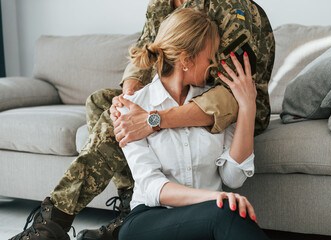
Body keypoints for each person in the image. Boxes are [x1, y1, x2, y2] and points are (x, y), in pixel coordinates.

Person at [10, 0, 274, 239]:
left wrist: (152, 119)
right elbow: (147, 48)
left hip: (226, 104)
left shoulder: (233, 10)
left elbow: (229, 94)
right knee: (100, 103)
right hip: (158, 205)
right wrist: (129, 101)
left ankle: (58, 219)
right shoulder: (161, 4)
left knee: (225, 213)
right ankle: (123, 207)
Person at [117, 8, 268, 240]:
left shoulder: (215, 105)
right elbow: (152, 187)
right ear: (187, 60)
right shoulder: (134, 108)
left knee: (226, 213)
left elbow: (233, 177)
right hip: (149, 220)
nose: (214, 65)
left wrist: (247, 107)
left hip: (209, 216)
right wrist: (214, 199)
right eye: (210, 58)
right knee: (227, 212)